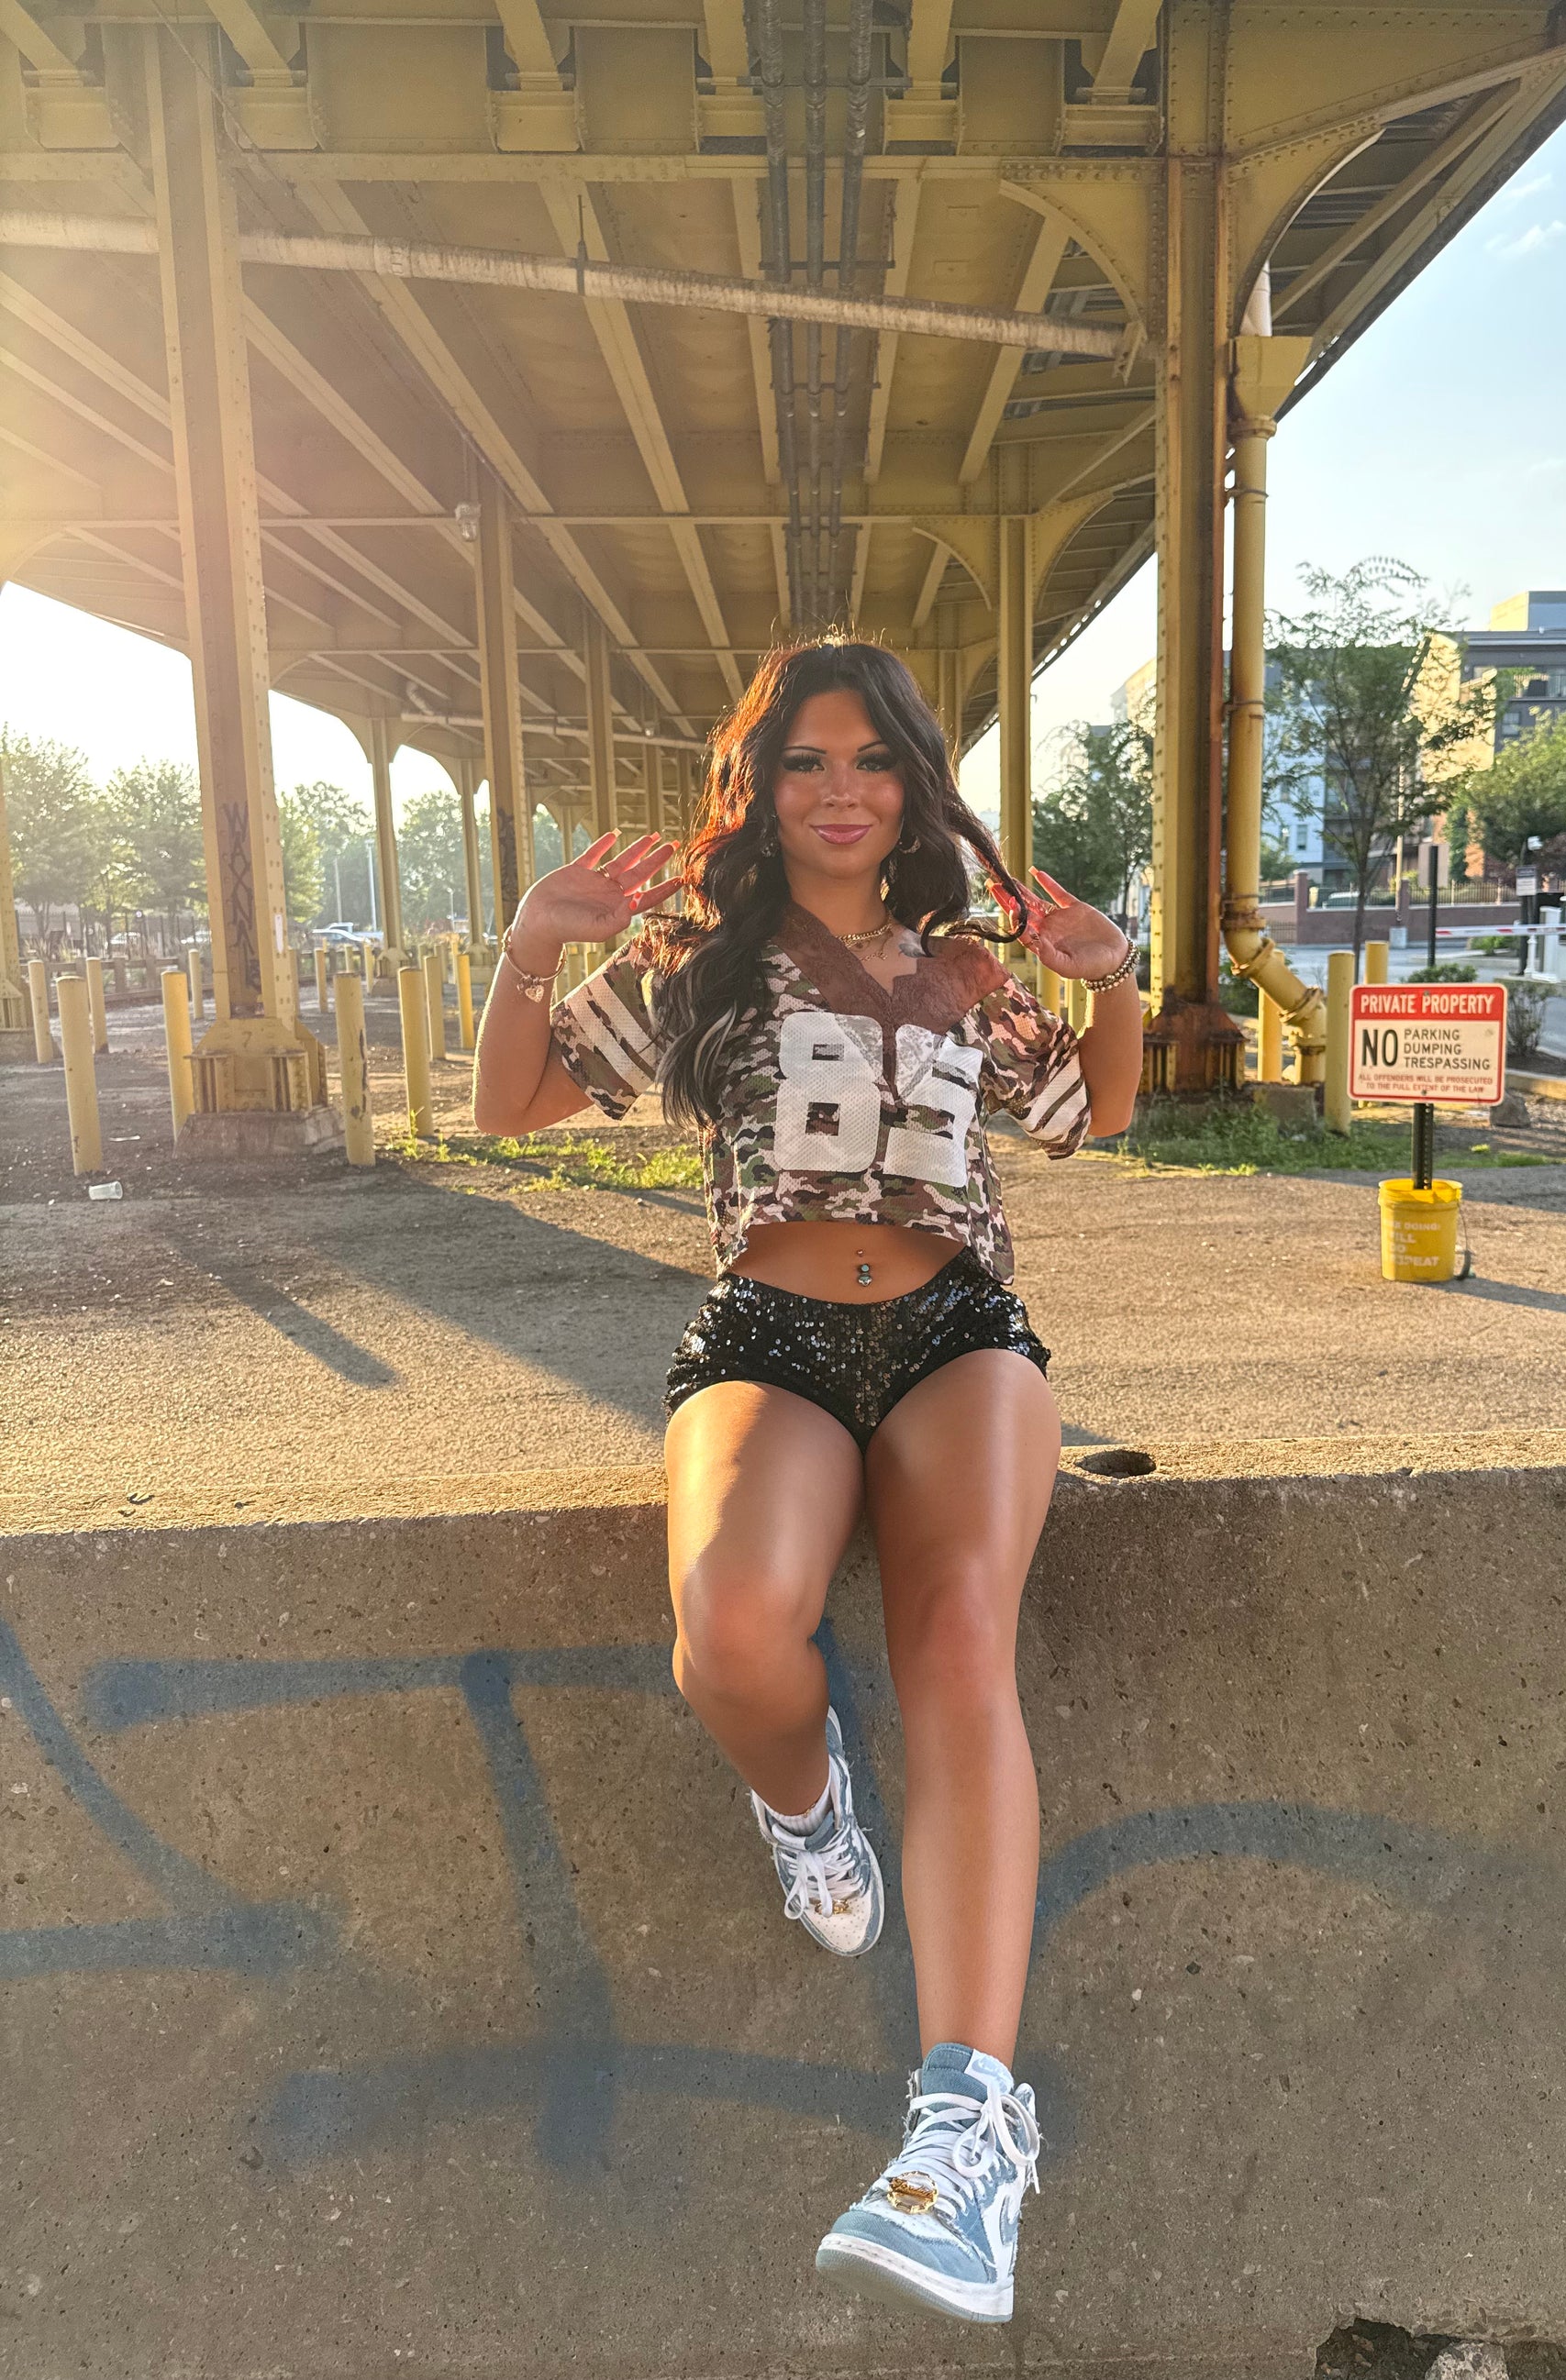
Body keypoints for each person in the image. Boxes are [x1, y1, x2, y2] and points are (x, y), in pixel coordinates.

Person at [472, 639, 1142, 2324]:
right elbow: (510, 1100)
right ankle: (804, 1807)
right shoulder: (701, 962)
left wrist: (1110, 980)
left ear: (914, 785)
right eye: (803, 761)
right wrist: (532, 948)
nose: (839, 790)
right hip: (765, 1329)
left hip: (958, 1329)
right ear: (759, 788)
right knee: (731, 1634)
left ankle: (967, 2133)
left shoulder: (968, 966)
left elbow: (1095, 1113)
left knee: (961, 1637)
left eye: (871, 760)